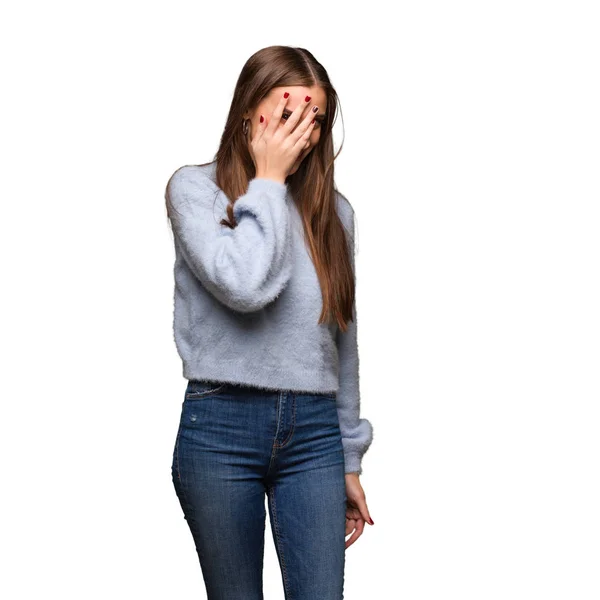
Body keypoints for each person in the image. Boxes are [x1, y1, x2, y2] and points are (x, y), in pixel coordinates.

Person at [165, 45, 375, 600]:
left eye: (315, 118)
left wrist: (350, 457)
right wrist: (268, 182)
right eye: (287, 113)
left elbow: (341, 343)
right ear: (247, 112)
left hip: (314, 435)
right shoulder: (195, 191)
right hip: (220, 427)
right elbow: (244, 284)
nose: (302, 130)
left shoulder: (336, 214)